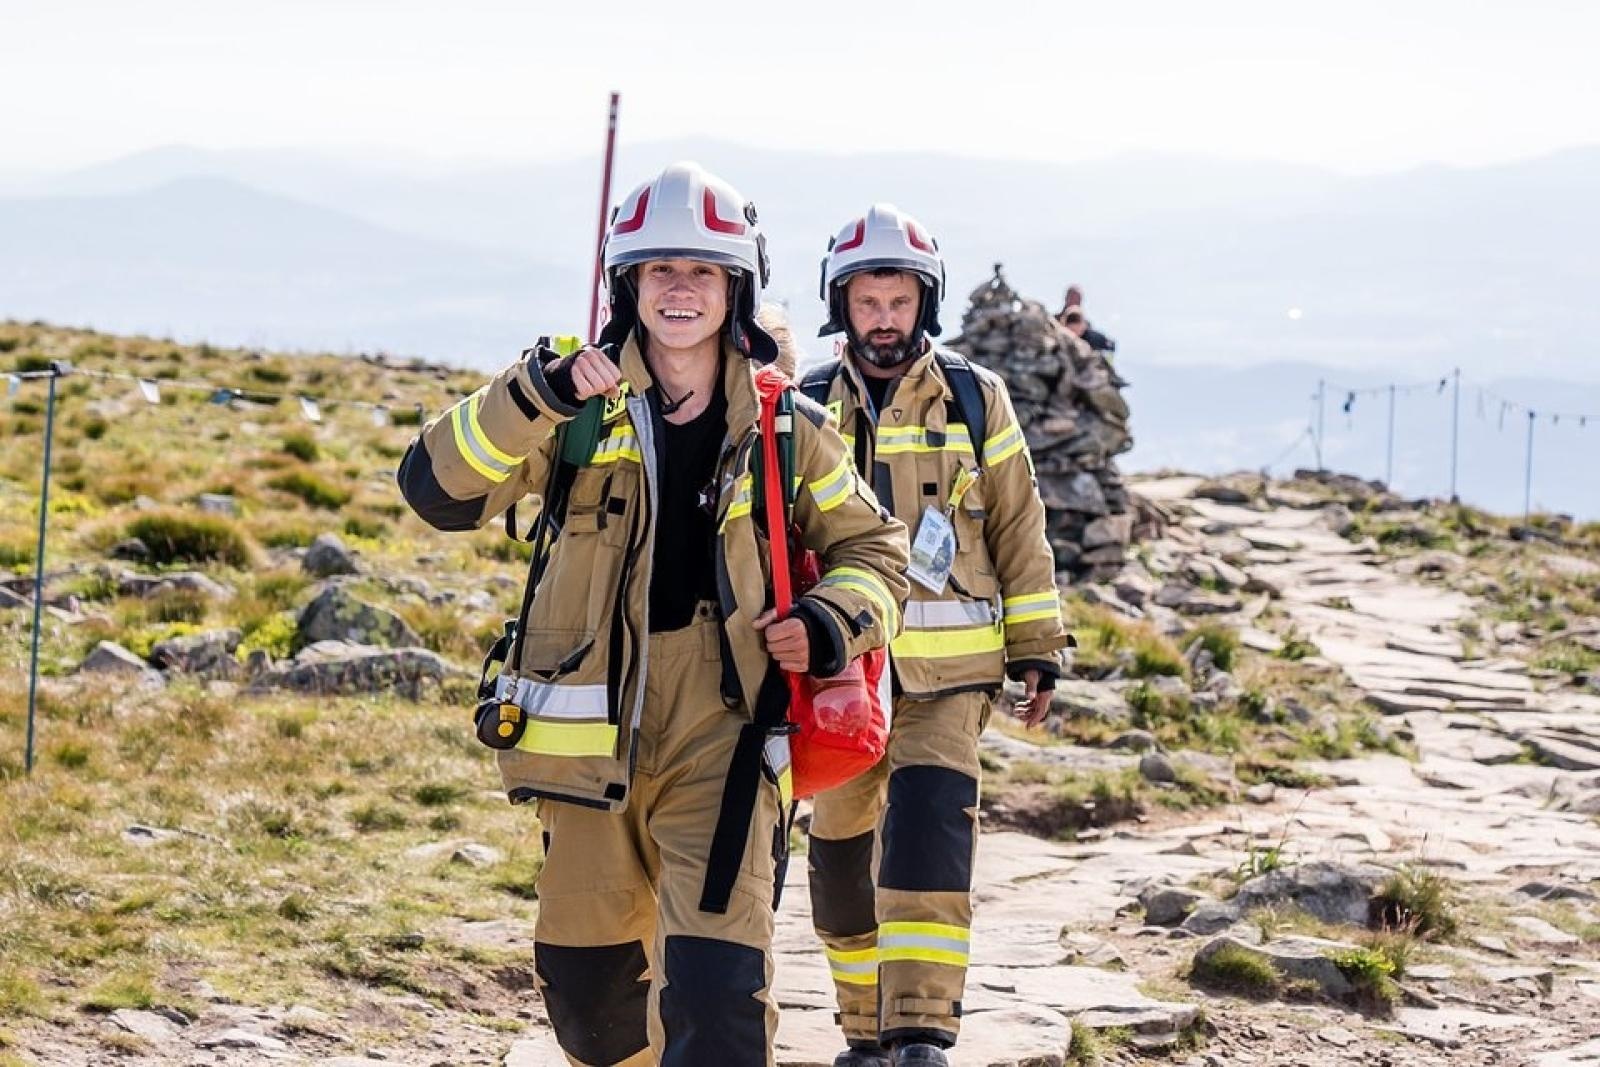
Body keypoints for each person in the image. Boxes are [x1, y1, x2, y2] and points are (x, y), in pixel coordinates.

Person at [397, 163, 909, 1066]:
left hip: (728, 733)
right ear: (626, 283)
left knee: (717, 996)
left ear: (736, 285)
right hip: (587, 745)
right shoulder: (569, 405)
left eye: (702, 269)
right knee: (592, 1004)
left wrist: (831, 621)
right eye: (659, 268)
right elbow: (434, 491)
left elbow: (878, 551)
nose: (679, 287)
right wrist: (536, 393)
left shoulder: (787, 425)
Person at [800, 205, 1073, 1067]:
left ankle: (920, 1033)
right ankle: (863, 1029)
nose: (884, 319)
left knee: (926, 837)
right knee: (840, 863)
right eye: (868, 302)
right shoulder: (805, 402)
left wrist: (1037, 647)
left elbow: (1020, 524)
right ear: (841, 306)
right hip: (840, 678)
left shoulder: (975, 397)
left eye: (900, 301)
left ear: (927, 302)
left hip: (951, 680)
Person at [1058, 284, 1116, 354]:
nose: (1075, 301)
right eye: (1072, 298)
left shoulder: (1086, 328)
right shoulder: (1054, 321)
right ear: (1066, 298)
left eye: (1078, 299)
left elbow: (1109, 345)